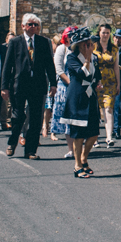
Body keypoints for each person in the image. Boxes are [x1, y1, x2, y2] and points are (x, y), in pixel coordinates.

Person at [0, 13, 58, 159]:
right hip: (19, 85)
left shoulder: (44, 42)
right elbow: (7, 66)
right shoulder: (15, 42)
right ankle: (13, 141)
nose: (34, 27)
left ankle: (31, 150)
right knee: (18, 116)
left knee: (35, 119)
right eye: (31, 24)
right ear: (23, 26)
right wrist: (4, 87)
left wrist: (53, 84)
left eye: (36, 25)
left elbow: (49, 65)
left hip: (38, 85)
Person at [60, 27, 102, 177]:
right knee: (78, 134)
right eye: (88, 43)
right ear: (81, 44)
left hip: (90, 98)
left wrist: (98, 82)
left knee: (93, 133)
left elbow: (96, 75)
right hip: (77, 99)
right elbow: (81, 74)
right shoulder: (71, 58)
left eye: (90, 43)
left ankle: (84, 158)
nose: (91, 46)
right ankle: (77, 166)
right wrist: (88, 59)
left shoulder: (94, 58)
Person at [94, 25, 121, 147]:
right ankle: (94, 138)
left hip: (110, 81)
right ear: (99, 33)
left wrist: (118, 83)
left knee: (108, 109)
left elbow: (116, 66)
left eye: (107, 33)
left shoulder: (114, 48)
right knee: (95, 110)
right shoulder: (93, 47)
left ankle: (109, 137)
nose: (105, 35)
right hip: (96, 81)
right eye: (103, 32)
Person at [50, 27, 75, 160]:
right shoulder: (62, 49)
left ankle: (79, 148)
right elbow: (59, 69)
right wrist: (70, 83)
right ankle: (71, 149)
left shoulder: (79, 48)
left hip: (77, 87)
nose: (71, 37)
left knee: (77, 119)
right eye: (69, 35)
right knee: (67, 119)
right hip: (65, 87)